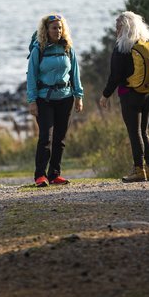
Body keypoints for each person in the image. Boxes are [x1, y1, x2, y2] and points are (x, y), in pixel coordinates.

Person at [98, 11, 149, 182]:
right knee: (144, 131)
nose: (115, 30)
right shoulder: (147, 42)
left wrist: (105, 95)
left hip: (131, 94)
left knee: (134, 132)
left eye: (117, 26)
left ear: (124, 27)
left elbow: (115, 76)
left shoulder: (123, 47)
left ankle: (139, 170)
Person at [26, 14, 84, 187]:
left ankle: (54, 174)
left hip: (65, 98)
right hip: (44, 100)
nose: (57, 31)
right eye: (54, 28)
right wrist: (32, 100)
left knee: (60, 139)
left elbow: (75, 74)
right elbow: (31, 76)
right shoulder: (39, 49)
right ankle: (40, 176)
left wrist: (78, 96)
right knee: (46, 137)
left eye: (60, 28)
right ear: (46, 30)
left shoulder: (68, 48)